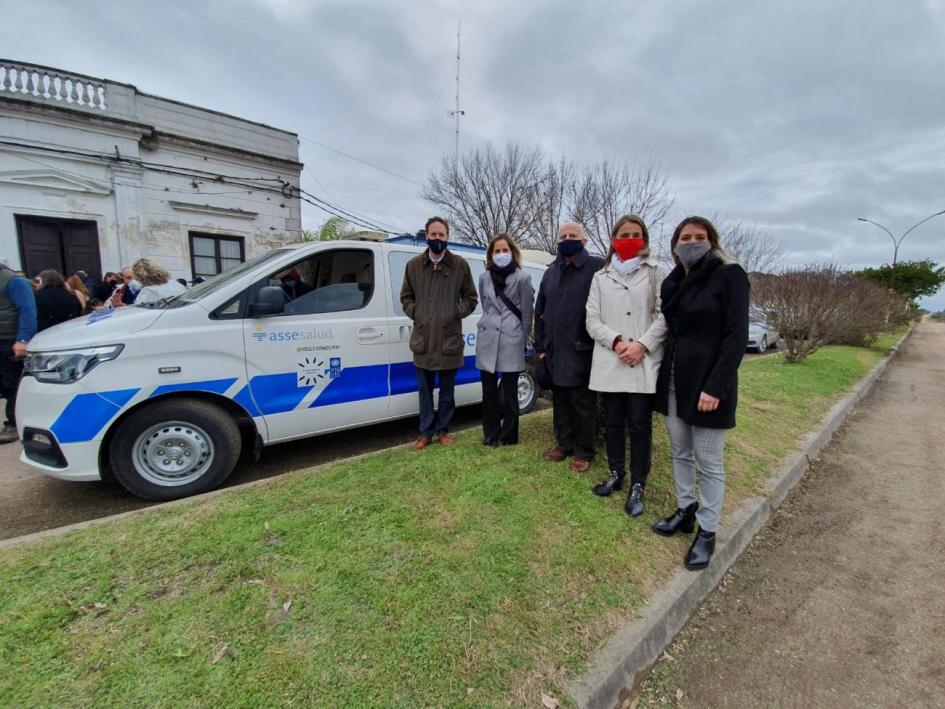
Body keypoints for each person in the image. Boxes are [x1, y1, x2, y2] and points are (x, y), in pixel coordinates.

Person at [650, 216, 750, 571]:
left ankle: (707, 531)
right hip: (674, 377)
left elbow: (736, 336)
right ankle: (685, 509)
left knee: (709, 461)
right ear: (675, 244)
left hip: (708, 382)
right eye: (684, 237)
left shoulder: (730, 274)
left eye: (699, 237)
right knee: (680, 451)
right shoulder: (674, 281)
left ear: (712, 240)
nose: (691, 242)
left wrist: (716, 387)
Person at [586, 215, 668, 516]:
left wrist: (641, 345)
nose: (630, 239)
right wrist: (618, 341)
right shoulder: (600, 277)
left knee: (640, 426)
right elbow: (592, 319)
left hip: (643, 359)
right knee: (613, 422)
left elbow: (664, 315)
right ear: (613, 239)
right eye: (624, 234)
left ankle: (638, 485)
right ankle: (616, 474)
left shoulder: (657, 271)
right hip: (612, 357)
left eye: (636, 234)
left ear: (644, 239)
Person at [400, 216, 478, 450]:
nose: (437, 239)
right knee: (424, 392)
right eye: (433, 235)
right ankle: (425, 433)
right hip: (423, 341)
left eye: (441, 235)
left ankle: (443, 430)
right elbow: (405, 297)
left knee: (446, 391)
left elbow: (471, 299)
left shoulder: (459, 266)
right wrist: (418, 313)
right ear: (426, 236)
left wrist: (453, 313)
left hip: (448, 341)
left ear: (447, 237)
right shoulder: (414, 266)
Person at [534, 221, 606, 472]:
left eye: (572, 235)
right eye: (562, 236)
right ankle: (563, 445)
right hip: (554, 350)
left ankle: (584, 451)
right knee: (560, 401)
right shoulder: (550, 272)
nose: (567, 239)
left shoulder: (597, 267)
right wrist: (540, 346)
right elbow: (539, 312)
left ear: (584, 241)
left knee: (583, 405)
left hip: (582, 349)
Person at [475, 233, 534, 447]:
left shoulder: (523, 278)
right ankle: (490, 434)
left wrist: (521, 337)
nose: (501, 254)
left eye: (505, 250)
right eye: (497, 251)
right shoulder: (484, 278)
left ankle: (509, 436)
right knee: (488, 392)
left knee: (509, 393)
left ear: (512, 252)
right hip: (488, 339)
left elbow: (528, 314)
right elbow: (486, 306)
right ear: (491, 254)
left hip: (512, 339)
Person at [0, 263, 37, 443]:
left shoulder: (14, 281)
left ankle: (14, 423)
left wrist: (23, 340)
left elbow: (28, 310)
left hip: (8, 339)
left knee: (11, 383)